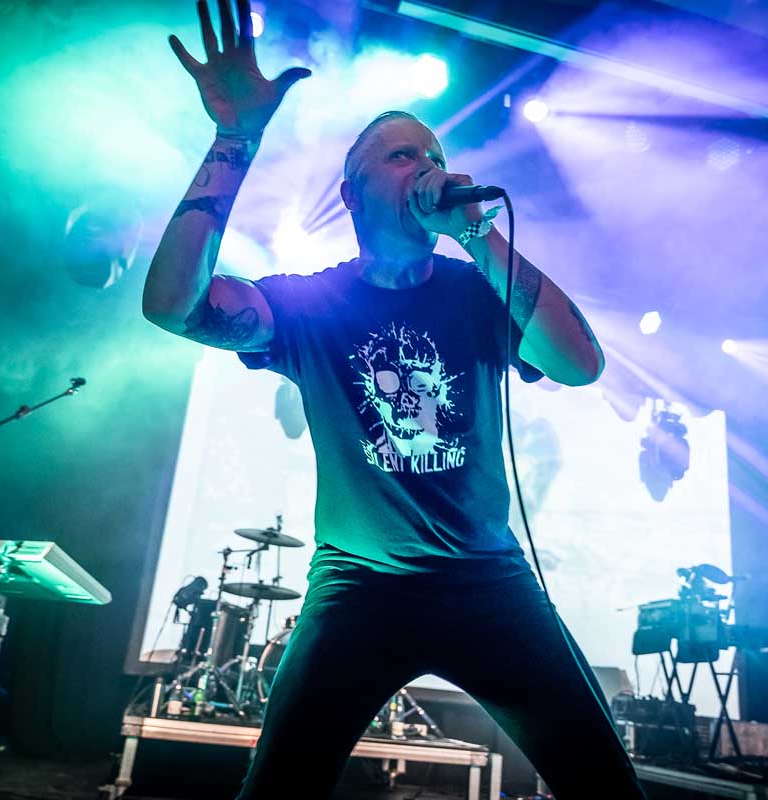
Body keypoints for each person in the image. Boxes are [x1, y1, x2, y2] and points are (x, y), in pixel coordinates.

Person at [143, 1, 646, 796]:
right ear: (352, 194)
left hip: (488, 584)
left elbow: (580, 364)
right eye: (403, 155)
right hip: (359, 587)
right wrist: (234, 140)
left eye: (435, 155)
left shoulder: (479, 289)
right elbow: (173, 306)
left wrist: (478, 234)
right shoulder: (309, 305)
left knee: (605, 784)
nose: (428, 167)